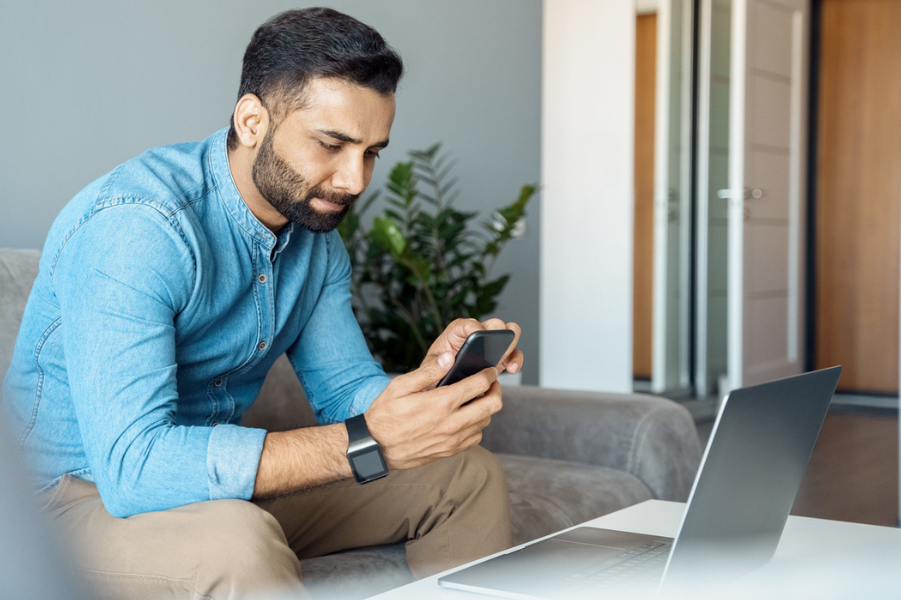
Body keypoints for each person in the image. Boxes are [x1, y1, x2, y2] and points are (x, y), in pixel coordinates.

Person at [1, 7, 523, 599]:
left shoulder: (314, 240)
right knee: (235, 541)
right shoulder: (138, 229)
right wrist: (365, 440)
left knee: (464, 476)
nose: (354, 180)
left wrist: (431, 386)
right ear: (252, 120)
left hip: (208, 490)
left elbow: (344, 389)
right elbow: (134, 469)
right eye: (332, 144)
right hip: (71, 502)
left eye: (371, 152)